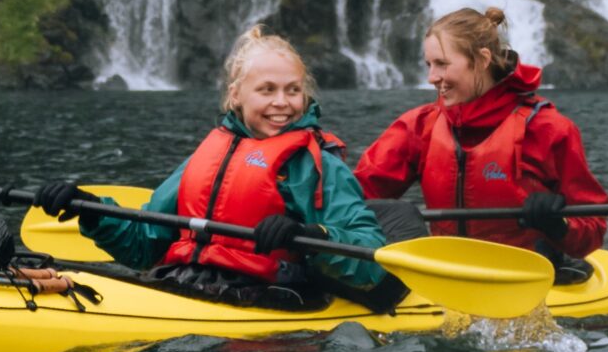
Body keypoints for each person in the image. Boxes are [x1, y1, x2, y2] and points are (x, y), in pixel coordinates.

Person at [34, 26, 398, 310]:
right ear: (236, 94)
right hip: (179, 281)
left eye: (293, 90)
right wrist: (90, 209)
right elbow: (145, 246)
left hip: (267, 298)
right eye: (267, 90)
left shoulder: (318, 166)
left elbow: (370, 258)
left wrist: (310, 235)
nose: (282, 103)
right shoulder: (209, 155)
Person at [354, 4, 608, 272]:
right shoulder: (418, 126)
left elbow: (593, 229)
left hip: (526, 277)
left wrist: (560, 225)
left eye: (442, 64)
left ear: (482, 59)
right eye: (429, 65)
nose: (431, 77)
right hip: (446, 275)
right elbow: (355, 197)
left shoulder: (547, 129)